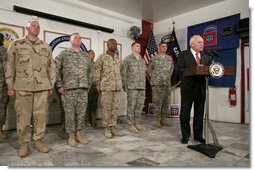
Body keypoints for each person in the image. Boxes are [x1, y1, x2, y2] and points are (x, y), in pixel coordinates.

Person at [4, 20, 56, 157]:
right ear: (27, 28)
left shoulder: (46, 47)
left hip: (42, 86)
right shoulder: (16, 44)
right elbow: (9, 66)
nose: (36, 28)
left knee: (40, 116)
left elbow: (52, 67)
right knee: (23, 116)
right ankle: (24, 144)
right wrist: (10, 86)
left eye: (38, 26)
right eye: (33, 25)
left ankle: (38, 141)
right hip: (22, 86)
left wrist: (51, 84)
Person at [55, 33, 91, 147]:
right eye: (76, 38)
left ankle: (79, 133)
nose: (78, 39)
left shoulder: (85, 56)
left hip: (83, 88)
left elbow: (90, 72)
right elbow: (56, 69)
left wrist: (88, 85)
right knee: (69, 113)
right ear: (70, 41)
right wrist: (59, 85)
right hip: (68, 89)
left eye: (80, 38)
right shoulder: (64, 54)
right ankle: (70, 135)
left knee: (81, 113)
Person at [175, 35, 212, 144]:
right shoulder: (183, 55)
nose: (202, 44)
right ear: (192, 44)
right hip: (188, 89)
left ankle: (198, 136)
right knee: (185, 114)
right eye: (199, 42)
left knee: (199, 114)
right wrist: (195, 69)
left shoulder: (206, 56)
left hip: (201, 89)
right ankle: (185, 136)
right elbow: (179, 70)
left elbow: (210, 69)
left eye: (203, 42)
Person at [93, 38, 122, 138]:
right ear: (108, 45)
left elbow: (120, 72)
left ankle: (113, 126)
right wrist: (97, 84)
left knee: (115, 108)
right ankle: (106, 127)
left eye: (116, 44)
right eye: (112, 44)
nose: (115, 45)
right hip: (106, 87)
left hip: (117, 87)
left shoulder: (118, 58)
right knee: (106, 108)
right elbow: (97, 71)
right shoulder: (102, 57)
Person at [120, 42, 146, 133]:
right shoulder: (128, 59)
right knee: (131, 106)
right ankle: (130, 124)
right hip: (132, 86)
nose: (139, 47)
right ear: (132, 47)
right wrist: (125, 85)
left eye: (140, 46)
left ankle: (137, 122)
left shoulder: (142, 60)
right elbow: (124, 73)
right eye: (137, 46)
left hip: (141, 86)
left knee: (139, 106)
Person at [148, 42, 174, 127]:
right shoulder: (154, 58)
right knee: (157, 101)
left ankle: (163, 119)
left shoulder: (169, 58)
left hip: (166, 82)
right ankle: (157, 120)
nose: (164, 48)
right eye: (163, 46)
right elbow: (149, 69)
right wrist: (155, 77)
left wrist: (167, 77)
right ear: (159, 47)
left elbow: (171, 69)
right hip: (157, 83)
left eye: (166, 46)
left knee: (166, 101)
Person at [85, 49, 99, 127]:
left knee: (94, 104)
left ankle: (93, 120)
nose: (93, 55)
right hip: (87, 87)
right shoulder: (84, 63)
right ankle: (86, 121)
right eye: (91, 53)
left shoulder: (96, 64)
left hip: (95, 86)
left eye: (94, 53)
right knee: (87, 105)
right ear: (87, 54)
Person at [0, 32, 9, 140]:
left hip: (2, 85)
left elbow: (5, 69)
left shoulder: (3, 50)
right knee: (1, 108)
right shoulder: (3, 50)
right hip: (2, 85)